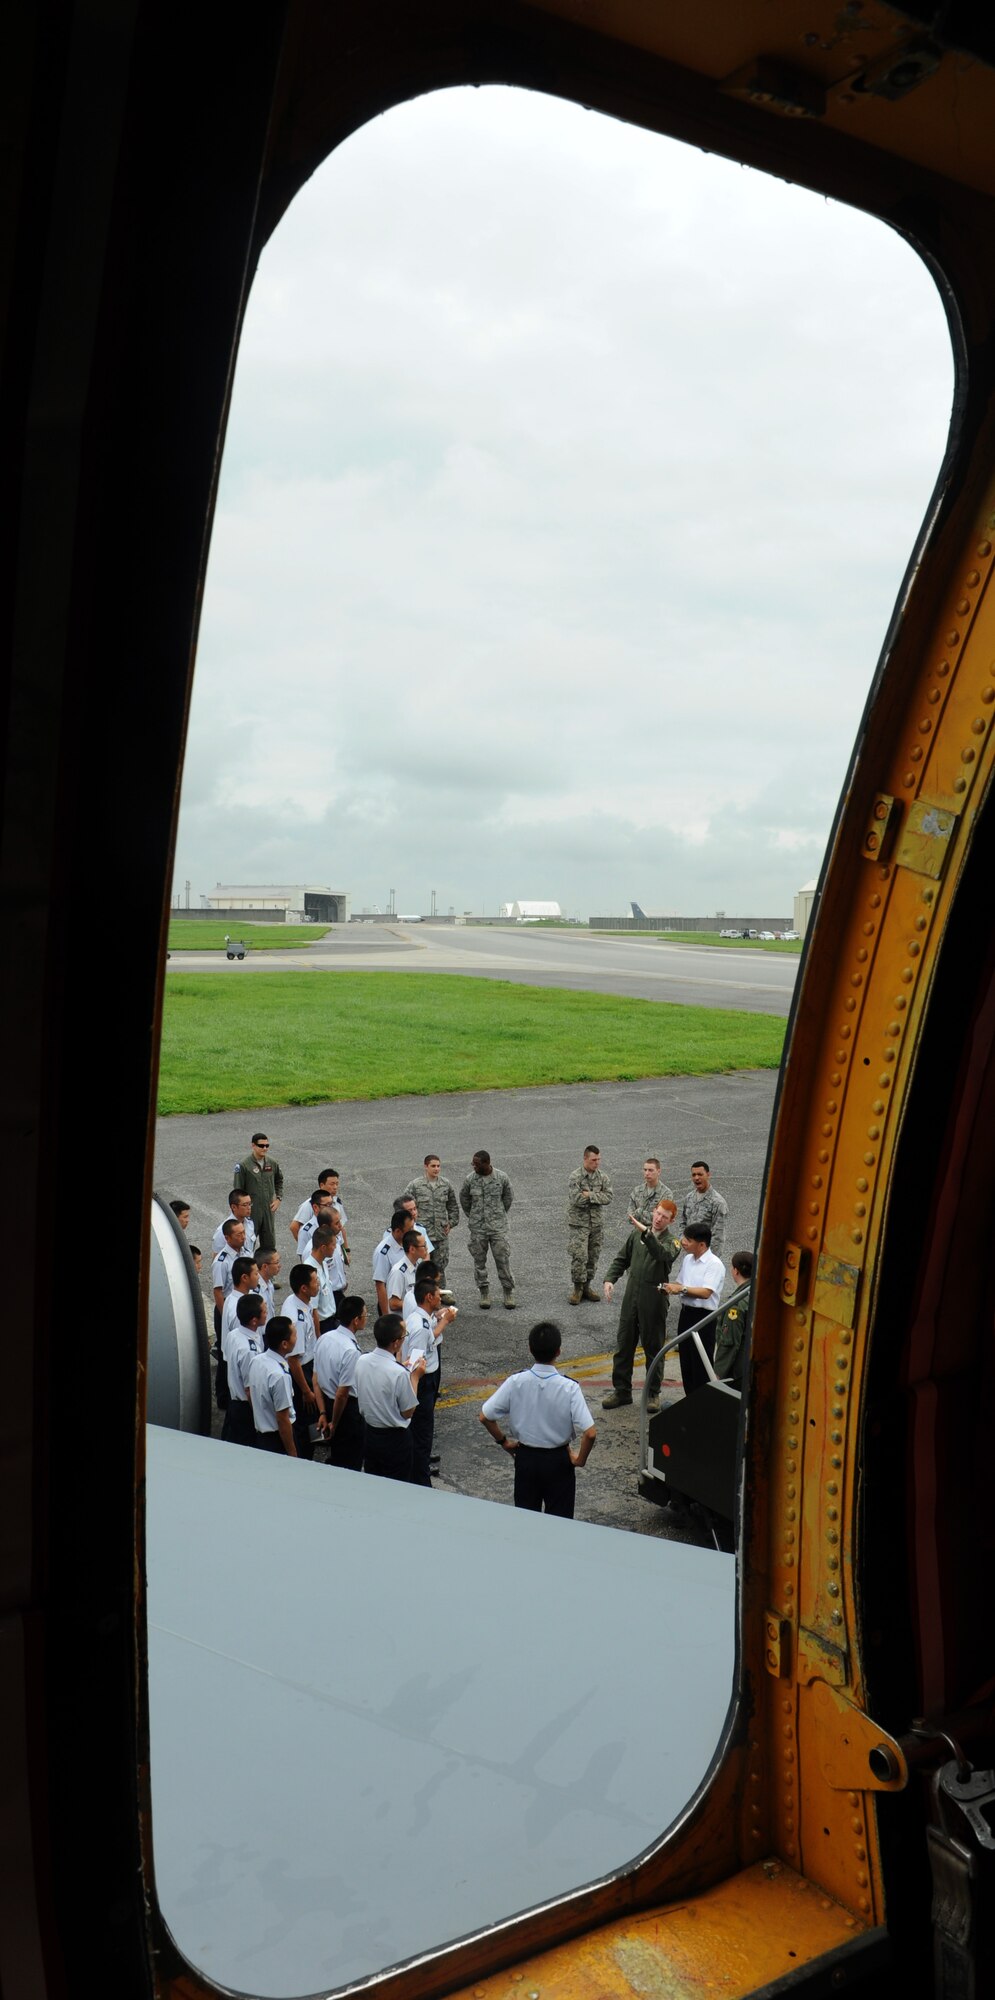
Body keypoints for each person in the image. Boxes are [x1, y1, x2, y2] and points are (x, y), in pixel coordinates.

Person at [479, 1322, 596, 1518]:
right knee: (560, 1523)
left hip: (526, 1459)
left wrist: (504, 1442)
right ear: (558, 1351)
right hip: (558, 1461)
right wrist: (579, 1460)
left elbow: (485, 1416)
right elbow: (590, 1433)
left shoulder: (516, 1382)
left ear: (530, 1349)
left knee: (526, 1522)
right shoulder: (569, 1388)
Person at [601, 1199, 682, 1409]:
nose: (659, 1219)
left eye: (665, 1217)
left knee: (653, 1348)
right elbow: (622, 1258)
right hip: (632, 1297)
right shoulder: (637, 1235)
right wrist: (610, 1279)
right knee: (624, 1345)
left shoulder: (672, 1242)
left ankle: (653, 1393)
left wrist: (647, 1233)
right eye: (658, 1213)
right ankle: (622, 1391)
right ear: (654, 1211)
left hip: (653, 1300)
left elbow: (661, 1254)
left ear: (671, 1220)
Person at [354, 1315, 426, 1482]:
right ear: (396, 1343)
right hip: (395, 1440)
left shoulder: (362, 1360)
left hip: (370, 1433)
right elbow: (408, 1411)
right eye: (404, 1336)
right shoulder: (399, 1373)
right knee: (398, 1484)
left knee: (375, 1481)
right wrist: (414, 1377)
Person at [401, 1277, 457, 1486]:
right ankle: (420, 1480)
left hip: (426, 1380)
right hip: (423, 1383)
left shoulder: (421, 1317)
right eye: (437, 1294)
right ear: (428, 1297)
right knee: (422, 1434)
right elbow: (416, 1362)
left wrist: (439, 1317)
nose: (440, 1297)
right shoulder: (420, 1327)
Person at [663, 1223, 727, 1395]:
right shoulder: (688, 1260)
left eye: (688, 1240)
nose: (683, 1242)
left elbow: (706, 1292)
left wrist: (682, 1289)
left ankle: (702, 1405)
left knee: (701, 1365)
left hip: (703, 1318)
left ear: (701, 1244)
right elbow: (680, 1283)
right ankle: (690, 1401)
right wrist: (668, 1287)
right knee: (686, 1362)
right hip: (686, 1315)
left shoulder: (714, 1264)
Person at [313, 1295, 367, 1471]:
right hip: (345, 1412)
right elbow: (342, 1393)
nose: (366, 1319)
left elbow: (316, 1379)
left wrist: (322, 1412)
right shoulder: (350, 1351)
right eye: (365, 1315)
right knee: (350, 1460)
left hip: (327, 1404)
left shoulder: (324, 1338)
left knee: (337, 1455)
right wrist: (334, 1424)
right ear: (356, 1320)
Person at [460, 1151, 515, 1308]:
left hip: (498, 1228)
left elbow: (508, 1198)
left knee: (503, 1260)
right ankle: (484, 1292)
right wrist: (473, 1216)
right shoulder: (470, 1180)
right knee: (479, 1262)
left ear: (487, 1163)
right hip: (478, 1229)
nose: (474, 1166)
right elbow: (464, 1199)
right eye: (473, 1164)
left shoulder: (501, 1178)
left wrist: (498, 1215)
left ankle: (508, 1292)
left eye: (477, 1164)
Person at [566, 1144, 613, 1304]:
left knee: (593, 1256)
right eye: (594, 1160)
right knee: (580, 1256)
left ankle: (587, 1286)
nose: (597, 1163)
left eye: (599, 1159)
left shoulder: (603, 1177)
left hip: (596, 1224)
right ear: (585, 1158)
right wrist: (596, 1197)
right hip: (579, 1224)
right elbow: (576, 1199)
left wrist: (590, 1195)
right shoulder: (575, 1177)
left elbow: (608, 1197)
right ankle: (577, 1289)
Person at [247, 1317, 298, 1455]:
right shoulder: (280, 1376)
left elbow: (250, 1392)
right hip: (276, 1440)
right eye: (294, 1334)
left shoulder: (257, 1361)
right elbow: (283, 1420)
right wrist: (293, 1454)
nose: (297, 1337)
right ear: (284, 1344)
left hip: (262, 1434)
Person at [401, 1156, 459, 1276]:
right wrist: (409, 1227)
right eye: (433, 1166)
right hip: (422, 1235)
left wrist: (451, 1222)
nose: (436, 1169)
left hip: (440, 1235)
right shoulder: (415, 1185)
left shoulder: (445, 1184)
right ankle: (421, 1292)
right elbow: (403, 1206)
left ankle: (440, 1293)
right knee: (421, 1267)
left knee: (440, 1268)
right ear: (426, 1166)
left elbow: (453, 1205)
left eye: (438, 1166)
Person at [221, 1292, 265, 1446]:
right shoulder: (249, 1350)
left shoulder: (234, 1335)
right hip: (245, 1408)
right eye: (264, 1312)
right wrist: (260, 1416)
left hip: (234, 1402)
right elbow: (249, 1389)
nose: (267, 1314)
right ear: (254, 1320)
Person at [233, 1132, 284, 1253]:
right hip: (251, 1211)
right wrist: (241, 1211)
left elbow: (279, 1180)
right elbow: (238, 1191)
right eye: (261, 1146)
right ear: (253, 1146)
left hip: (268, 1210)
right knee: (247, 1244)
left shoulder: (272, 1163)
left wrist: (278, 1198)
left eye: (267, 1145)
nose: (265, 1148)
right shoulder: (244, 1165)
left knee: (269, 1245)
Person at [712, 1251, 754, 1389]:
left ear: (735, 1271)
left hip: (738, 1369)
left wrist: (719, 1371)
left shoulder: (736, 1304)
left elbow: (729, 1342)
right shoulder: (758, 1293)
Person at [681, 1161, 728, 1264]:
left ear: (708, 1175)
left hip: (705, 1259)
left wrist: (709, 1261)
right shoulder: (689, 1198)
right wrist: (683, 1242)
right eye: (694, 1175)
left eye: (700, 1174)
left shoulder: (718, 1202)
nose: (696, 1178)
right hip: (689, 1257)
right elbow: (683, 1223)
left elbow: (718, 1237)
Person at [372, 1211, 410, 1316]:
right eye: (409, 1230)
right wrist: (386, 1316)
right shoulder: (383, 1252)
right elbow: (380, 1285)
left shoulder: (409, 1243)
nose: (413, 1232)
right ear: (398, 1231)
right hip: (395, 1311)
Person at [386, 1230, 426, 1316]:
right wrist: (420, 1306)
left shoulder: (418, 1265)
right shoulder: (398, 1272)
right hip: (403, 1324)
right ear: (412, 1249)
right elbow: (393, 1303)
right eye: (424, 1246)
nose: (426, 1248)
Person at [627, 1158, 675, 1227]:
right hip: (637, 1234)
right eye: (645, 1170)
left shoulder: (666, 1193)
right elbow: (630, 1218)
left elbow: (661, 1219)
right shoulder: (637, 1191)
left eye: (650, 1170)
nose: (647, 1173)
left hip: (657, 1235)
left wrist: (639, 1213)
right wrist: (651, 1215)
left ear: (658, 1171)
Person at [211, 1191, 256, 1257]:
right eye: (245, 1205)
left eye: (250, 1204)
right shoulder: (222, 1231)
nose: (249, 1208)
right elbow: (217, 1256)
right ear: (234, 1207)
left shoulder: (250, 1224)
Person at [257, 1245, 281, 1323]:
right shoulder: (256, 1291)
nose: (279, 1265)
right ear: (265, 1266)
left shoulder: (269, 1283)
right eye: (276, 1262)